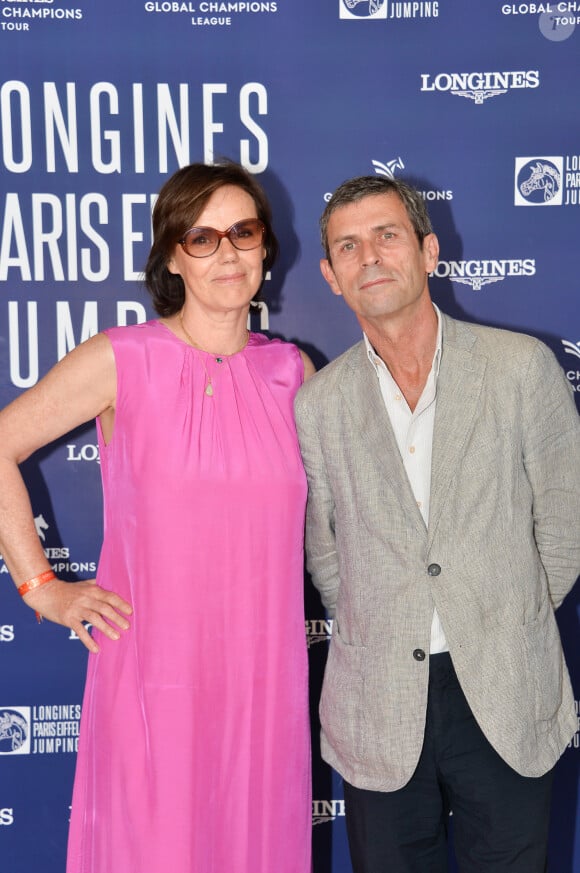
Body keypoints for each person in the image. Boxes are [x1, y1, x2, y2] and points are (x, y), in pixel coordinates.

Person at [0, 161, 314, 873]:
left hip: (265, 686)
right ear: (172, 255)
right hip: (156, 678)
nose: (227, 252)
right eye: (201, 237)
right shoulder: (125, 358)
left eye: (242, 231)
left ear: (266, 245)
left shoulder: (295, 374)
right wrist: (41, 586)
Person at [294, 174, 580, 873]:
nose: (370, 257)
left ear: (428, 251)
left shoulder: (519, 369)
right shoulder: (318, 405)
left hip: (506, 690)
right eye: (348, 246)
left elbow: (567, 524)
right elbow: (326, 554)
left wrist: (497, 615)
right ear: (331, 275)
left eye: (387, 236)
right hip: (378, 704)